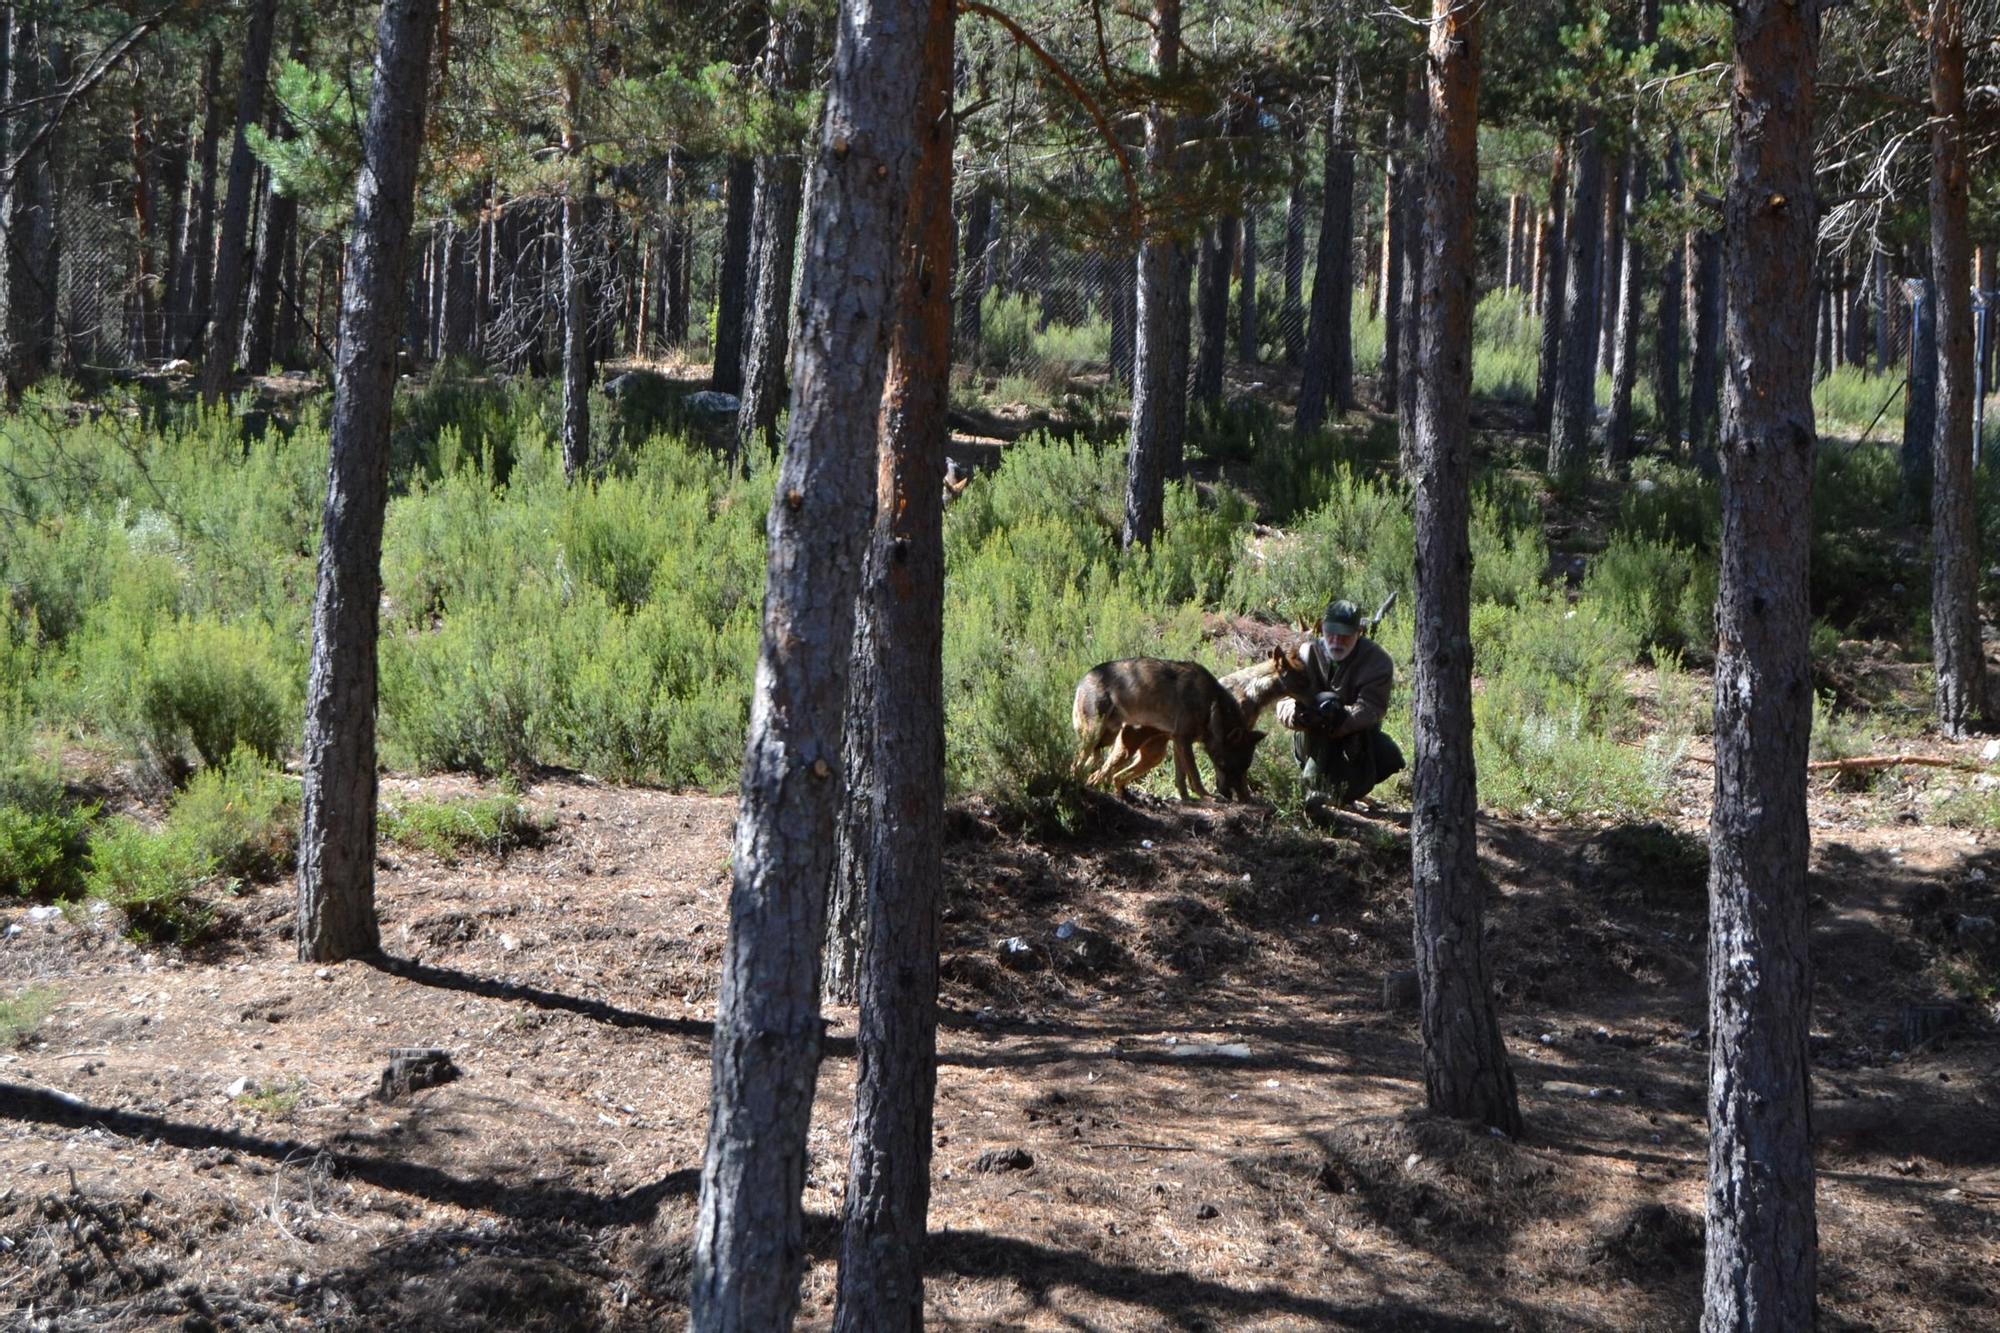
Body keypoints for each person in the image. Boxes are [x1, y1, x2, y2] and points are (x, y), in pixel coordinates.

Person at [1273, 599, 1405, 804]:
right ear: (1322, 629)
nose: (1336, 640)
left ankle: (1341, 793)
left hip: (1354, 740)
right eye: (1330, 633)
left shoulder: (1377, 662)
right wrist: (1299, 715)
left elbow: (1372, 708)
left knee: (1388, 755)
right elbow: (1283, 699)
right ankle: (1312, 790)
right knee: (1320, 721)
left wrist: (1341, 716)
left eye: (1344, 636)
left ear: (1358, 632)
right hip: (1309, 739)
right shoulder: (1307, 652)